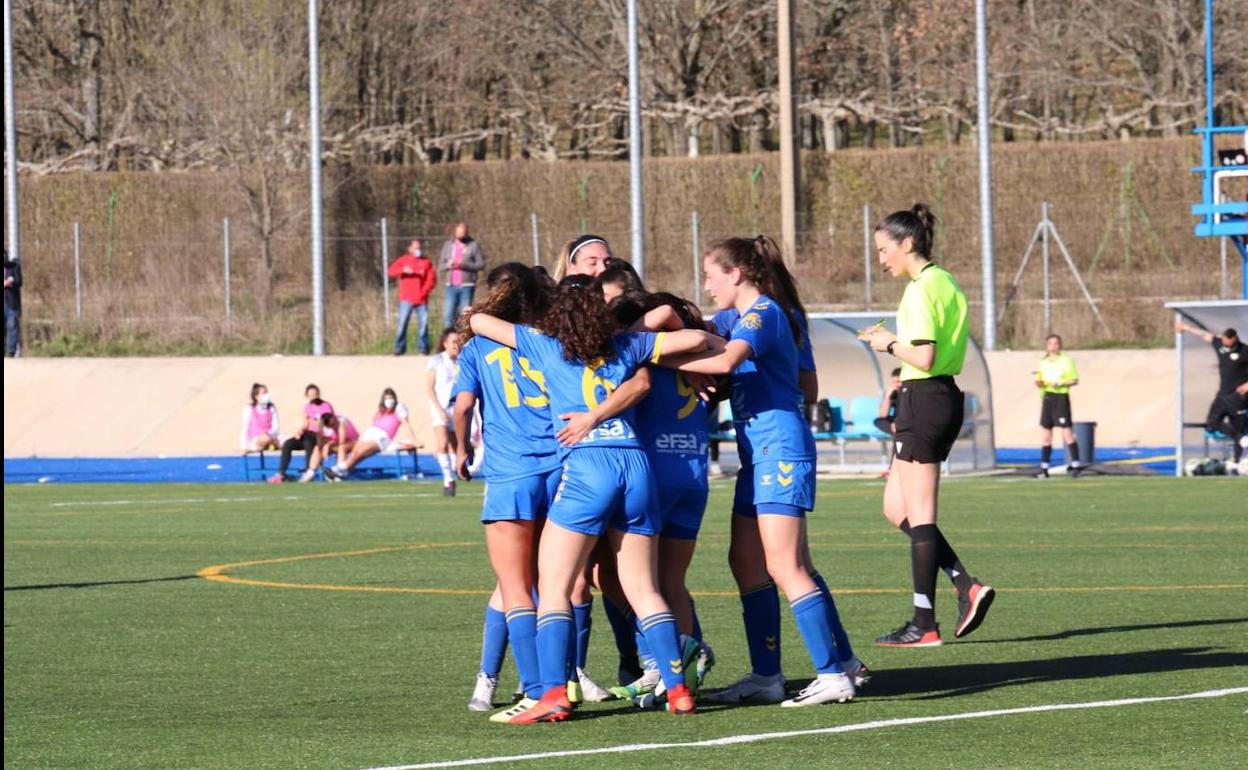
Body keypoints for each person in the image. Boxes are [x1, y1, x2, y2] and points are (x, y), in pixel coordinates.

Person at [467, 276, 720, 723]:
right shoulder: (627, 346)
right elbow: (698, 339)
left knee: (555, 586)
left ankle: (552, 695)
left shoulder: (546, 345)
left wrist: (534, 318)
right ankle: (678, 688)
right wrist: (659, 347)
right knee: (644, 588)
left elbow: (480, 321)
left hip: (589, 465)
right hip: (635, 465)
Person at [674, 235, 862, 708]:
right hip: (756, 456)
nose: (707, 285)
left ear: (736, 274)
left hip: (779, 451)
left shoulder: (764, 313)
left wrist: (653, 355)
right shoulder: (736, 316)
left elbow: (725, 359)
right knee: (745, 562)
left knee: (785, 565)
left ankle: (832, 674)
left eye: (711, 276)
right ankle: (767, 677)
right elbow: (699, 329)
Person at [860, 204, 995, 648]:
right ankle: (964, 584)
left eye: (884, 250)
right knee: (895, 508)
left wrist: (887, 343)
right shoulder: (946, 281)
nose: (881, 259)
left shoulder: (920, 290)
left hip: (924, 397)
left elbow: (924, 356)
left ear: (908, 243)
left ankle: (924, 623)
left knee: (920, 516)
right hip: (935, 397)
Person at [450, 263, 560, 717]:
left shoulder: (478, 346)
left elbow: (462, 406)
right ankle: (562, 679)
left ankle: (535, 689)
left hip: (510, 473)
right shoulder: (551, 339)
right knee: (558, 584)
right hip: (560, 470)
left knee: (514, 587)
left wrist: (461, 449)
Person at [1175, 321, 1248, 462]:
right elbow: (1205, 335)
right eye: (1225, 344)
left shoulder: (1245, 351)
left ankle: (1238, 462)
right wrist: (1186, 327)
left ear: (1235, 339)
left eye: (1229, 345)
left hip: (1238, 398)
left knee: (1239, 430)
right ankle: (1240, 438)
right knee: (1212, 423)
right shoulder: (1219, 344)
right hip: (1222, 395)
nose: (1226, 347)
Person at [325, 388, 415, 479]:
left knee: (359, 453)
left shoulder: (399, 408)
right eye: (386, 399)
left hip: (382, 436)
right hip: (371, 432)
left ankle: (336, 469)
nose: (389, 401)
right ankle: (341, 473)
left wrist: (414, 440)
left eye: (391, 398)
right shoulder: (381, 411)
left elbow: (406, 424)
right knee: (356, 453)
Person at [1033, 334, 1083, 478]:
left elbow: (1074, 380)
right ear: (1046, 345)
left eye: (1056, 343)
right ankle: (1044, 468)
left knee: (1067, 433)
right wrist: (1039, 383)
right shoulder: (1043, 362)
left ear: (1060, 345)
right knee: (1046, 435)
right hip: (1047, 397)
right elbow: (1040, 380)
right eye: (1050, 343)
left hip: (1060, 397)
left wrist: (1060, 383)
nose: (1053, 346)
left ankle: (1076, 465)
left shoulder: (1066, 360)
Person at [270, 384, 335, 484]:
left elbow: (326, 424)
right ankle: (281, 473)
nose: (314, 397)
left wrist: (312, 421)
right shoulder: (307, 407)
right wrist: (299, 431)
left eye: (315, 394)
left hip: (320, 435)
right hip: (308, 434)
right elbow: (306, 423)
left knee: (309, 441)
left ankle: (308, 472)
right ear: (307, 396)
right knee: (288, 443)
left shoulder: (326, 406)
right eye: (311, 395)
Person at [427, 329, 463, 495]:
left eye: (458, 342)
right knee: (442, 443)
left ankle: (455, 472)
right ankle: (448, 481)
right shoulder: (436, 361)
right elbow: (429, 388)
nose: (456, 345)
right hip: (440, 407)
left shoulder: (462, 360)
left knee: (457, 447)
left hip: (456, 408)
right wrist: (439, 409)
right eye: (453, 342)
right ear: (445, 343)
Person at [388, 239, 437, 355]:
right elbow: (390, 271)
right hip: (406, 299)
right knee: (402, 324)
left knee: (423, 325)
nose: (418, 250)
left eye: (419, 248)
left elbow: (432, 280)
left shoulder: (426, 262)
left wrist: (423, 292)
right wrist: (402, 270)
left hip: (421, 300)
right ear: (410, 249)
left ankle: (423, 349)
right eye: (415, 248)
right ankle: (399, 348)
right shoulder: (404, 260)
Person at [440, 222, 486, 329]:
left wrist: (465, 264)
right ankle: (448, 336)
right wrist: (448, 265)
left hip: (467, 286)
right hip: (451, 286)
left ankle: (463, 336)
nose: (461, 234)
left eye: (463, 232)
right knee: (448, 315)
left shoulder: (473, 245)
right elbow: (441, 266)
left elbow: (481, 264)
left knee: (464, 316)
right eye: (459, 232)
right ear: (455, 232)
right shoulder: (448, 245)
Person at [239, 383, 280, 454]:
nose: (267, 395)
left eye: (267, 392)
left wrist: (269, 434)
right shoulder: (249, 409)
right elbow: (245, 428)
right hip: (256, 439)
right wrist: (243, 447)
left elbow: (276, 426)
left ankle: (270, 445)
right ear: (256, 396)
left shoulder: (271, 407)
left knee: (287, 441)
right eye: (264, 393)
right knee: (265, 439)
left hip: (270, 436)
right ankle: (264, 447)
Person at [316, 412, 359, 477]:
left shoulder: (341, 422)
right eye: (331, 425)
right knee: (317, 449)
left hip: (353, 442)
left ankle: (339, 472)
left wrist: (328, 444)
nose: (334, 426)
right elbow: (321, 441)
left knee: (341, 448)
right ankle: (313, 471)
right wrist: (323, 447)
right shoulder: (324, 427)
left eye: (333, 424)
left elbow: (342, 441)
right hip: (338, 445)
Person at [874, 368, 902, 436]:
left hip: (907, 420)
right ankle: (897, 431)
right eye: (893, 382)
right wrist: (887, 397)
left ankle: (899, 432)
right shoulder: (894, 393)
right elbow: (883, 415)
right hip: (896, 421)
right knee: (879, 421)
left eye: (898, 382)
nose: (895, 385)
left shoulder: (910, 394)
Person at [4, 250, 20, 358]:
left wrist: (10, 283)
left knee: (12, 325)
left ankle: (11, 351)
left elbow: (19, 282)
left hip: (11, 302)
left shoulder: (14, 267)